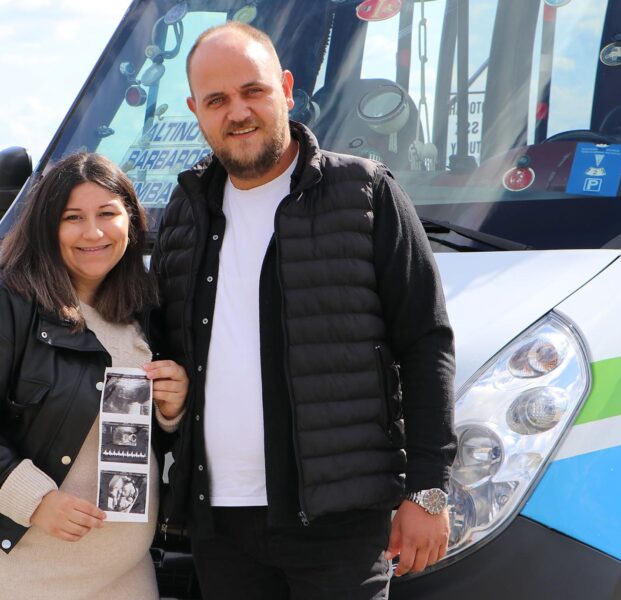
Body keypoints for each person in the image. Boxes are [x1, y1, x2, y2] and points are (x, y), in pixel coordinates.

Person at [151, 22, 456, 599]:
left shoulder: (365, 193)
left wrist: (428, 489)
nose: (238, 112)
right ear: (196, 111)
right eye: (217, 100)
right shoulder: (185, 211)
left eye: (253, 91)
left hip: (339, 523)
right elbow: (165, 353)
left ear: (287, 89)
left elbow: (426, 342)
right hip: (220, 526)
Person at [0, 152, 188, 599]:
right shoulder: (0, 304)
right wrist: (37, 501)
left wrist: (172, 408)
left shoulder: (144, 308)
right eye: (73, 218)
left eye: (107, 214)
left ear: (131, 221)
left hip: (122, 568)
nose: (94, 232)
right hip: (15, 564)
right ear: (46, 226)